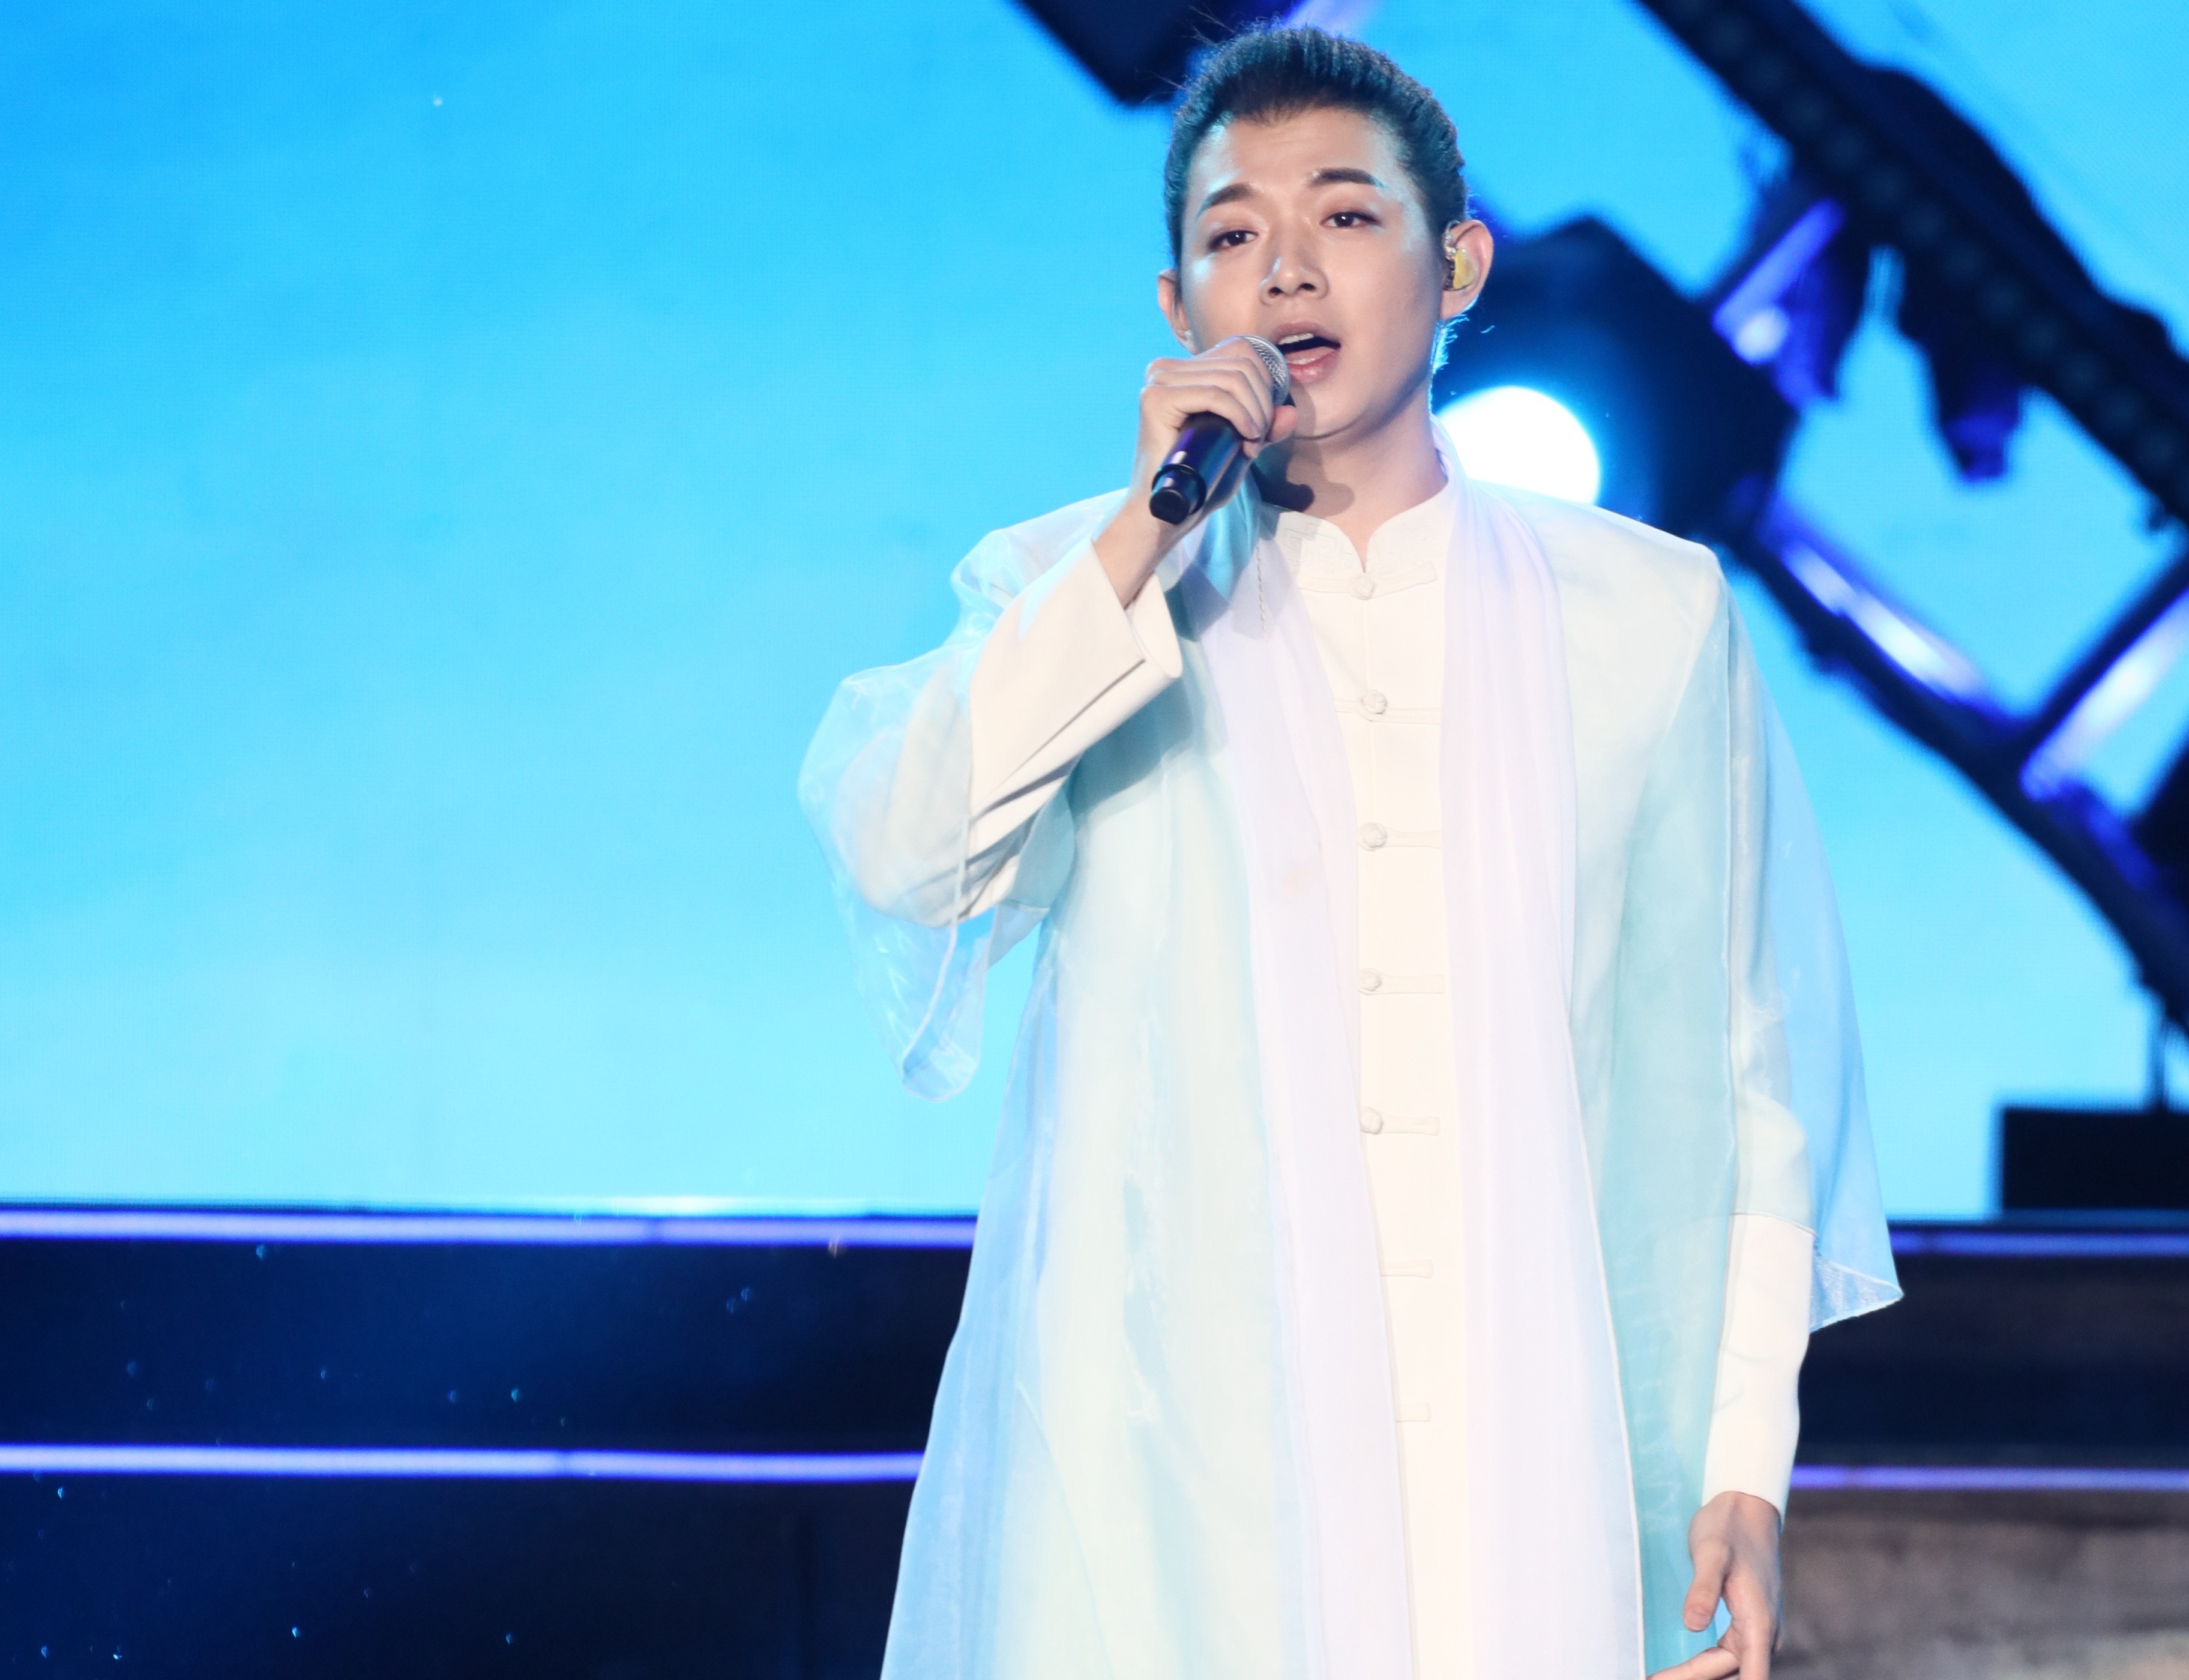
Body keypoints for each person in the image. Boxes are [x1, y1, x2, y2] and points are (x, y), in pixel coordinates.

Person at [800, 28, 1897, 1680]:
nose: (1287, 268)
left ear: (1458, 268)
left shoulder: (1649, 616)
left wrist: (1744, 1465)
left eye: (1346, 217)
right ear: (1177, 308)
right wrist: (1142, 535)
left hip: (1516, 1461)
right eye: (1232, 234)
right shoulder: (1079, 588)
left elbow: (1747, 1078)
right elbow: (911, 858)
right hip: (1175, 1477)